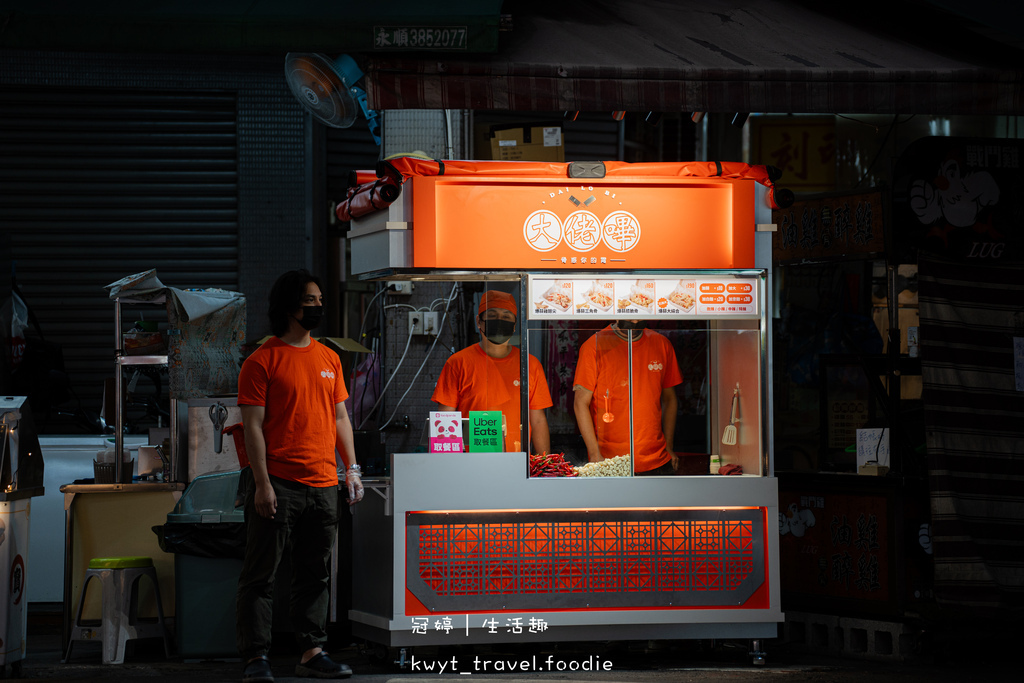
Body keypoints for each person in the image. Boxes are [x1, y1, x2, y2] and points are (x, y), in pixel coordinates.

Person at [236, 269, 364, 683]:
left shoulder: (329, 358)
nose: (318, 308)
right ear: (290, 307)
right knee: (261, 575)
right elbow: (252, 427)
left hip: (324, 483)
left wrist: (353, 469)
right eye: (310, 301)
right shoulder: (262, 361)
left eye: (320, 301)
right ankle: (256, 657)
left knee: (315, 573)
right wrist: (262, 484)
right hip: (278, 482)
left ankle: (311, 651)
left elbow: (341, 417)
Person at [432, 290, 552, 454]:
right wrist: (452, 465)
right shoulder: (457, 363)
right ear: (479, 322)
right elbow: (445, 421)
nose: (499, 321)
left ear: (515, 325)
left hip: (516, 464)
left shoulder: (530, 364)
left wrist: (543, 465)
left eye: (506, 317)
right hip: (469, 463)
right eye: (492, 315)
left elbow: (537, 420)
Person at [573, 320, 682, 475]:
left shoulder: (661, 344)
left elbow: (670, 399)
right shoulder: (594, 346)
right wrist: (595, 453)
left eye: (639, 316)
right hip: (609, 460)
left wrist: (669, 447)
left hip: (657, 458)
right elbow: (580, 403)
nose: (635, 321)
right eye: (629, 316)